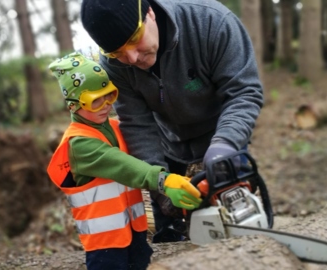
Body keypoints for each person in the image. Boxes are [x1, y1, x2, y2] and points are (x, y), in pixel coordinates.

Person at [80, 0, 264, 243]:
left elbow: (244, 92)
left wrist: (226, 143)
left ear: (150, 13)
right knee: (169, 234)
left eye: (135, 40)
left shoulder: (211, 22)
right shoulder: (115, 66)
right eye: (117, 52)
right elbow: (137, 125)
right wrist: (161, 184)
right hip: (168, 143)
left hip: (223, 132)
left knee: (240, 223)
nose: (132, 57)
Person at [46, 52, 202, 270]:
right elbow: (123, 165)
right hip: (104, 243)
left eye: (109, 95)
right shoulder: (79, 144)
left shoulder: (116, 127)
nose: (105, 105)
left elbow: (145, 143)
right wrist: (163, 181)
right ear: (73, 105)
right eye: (95, 100)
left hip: (133, 229)